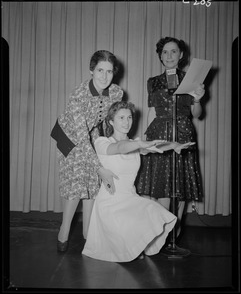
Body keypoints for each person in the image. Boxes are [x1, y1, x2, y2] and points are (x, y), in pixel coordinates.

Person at [82, 101, 193, 262]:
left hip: (131, 199)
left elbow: (154, 146)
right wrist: (140, 144)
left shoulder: (135, 143)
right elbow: (120, 147)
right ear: (111, 121)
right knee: (130, 242)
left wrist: (175, 145)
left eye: (129, 117)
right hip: (110, 203)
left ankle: (133, 244)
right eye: (121, 118)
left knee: (155, 211)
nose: (126, 122)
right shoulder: (102, 142)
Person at [52, 50, 124, 252]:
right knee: (76, 181)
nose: (104, 76)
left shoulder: (117, 93)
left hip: (91, 134)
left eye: (109, 72)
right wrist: (100, 167)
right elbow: (80, 137)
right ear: (91, 70)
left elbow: (111, 122)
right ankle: (64, 230)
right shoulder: (78, 95)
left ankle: (88, 233)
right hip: (70, 136)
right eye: (100, 70)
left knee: (92, 183)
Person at [135, 37, 205, 238]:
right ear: (160, 56)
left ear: (181, 55)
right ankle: (161, 232)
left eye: (174, 51)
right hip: (159, 135)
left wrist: (198, 99)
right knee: (161, 186)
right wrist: (147, 140)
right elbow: (151, 112)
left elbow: (197, 113)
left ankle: (175, 231)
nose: (169, 56)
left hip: (182, 134)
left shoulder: (191, 80)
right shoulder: (153, 82)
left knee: (180, 186)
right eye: (165, 52)